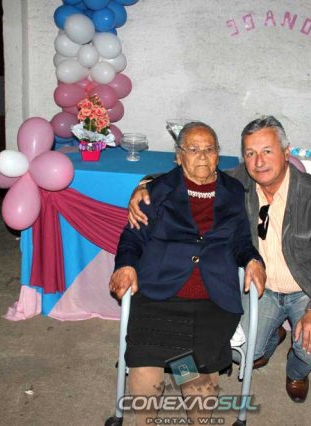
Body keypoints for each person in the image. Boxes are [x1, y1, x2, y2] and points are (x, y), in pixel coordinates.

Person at [127, 116, 311, 403]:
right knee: (241, 351)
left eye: (267, 151)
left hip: (306, 291)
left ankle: (297, 371)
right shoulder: (239, 182)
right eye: (250, 153)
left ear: (286, 152)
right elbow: (193, 170)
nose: (259, 162)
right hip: (261, 288)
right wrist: (145, 184)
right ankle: (273, 336)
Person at [109, 121, 266, 425]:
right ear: (179, 156)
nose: (203, 156)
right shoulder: (156, 191)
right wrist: (125, 265)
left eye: (209, 149)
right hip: (159, 292)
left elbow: (240, 240)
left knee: (196, 370)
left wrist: (252, 259)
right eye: (193, 150)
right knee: (147, 363)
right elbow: (132, 237)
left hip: (212, 297)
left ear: (218, 154)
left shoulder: (234, 191)